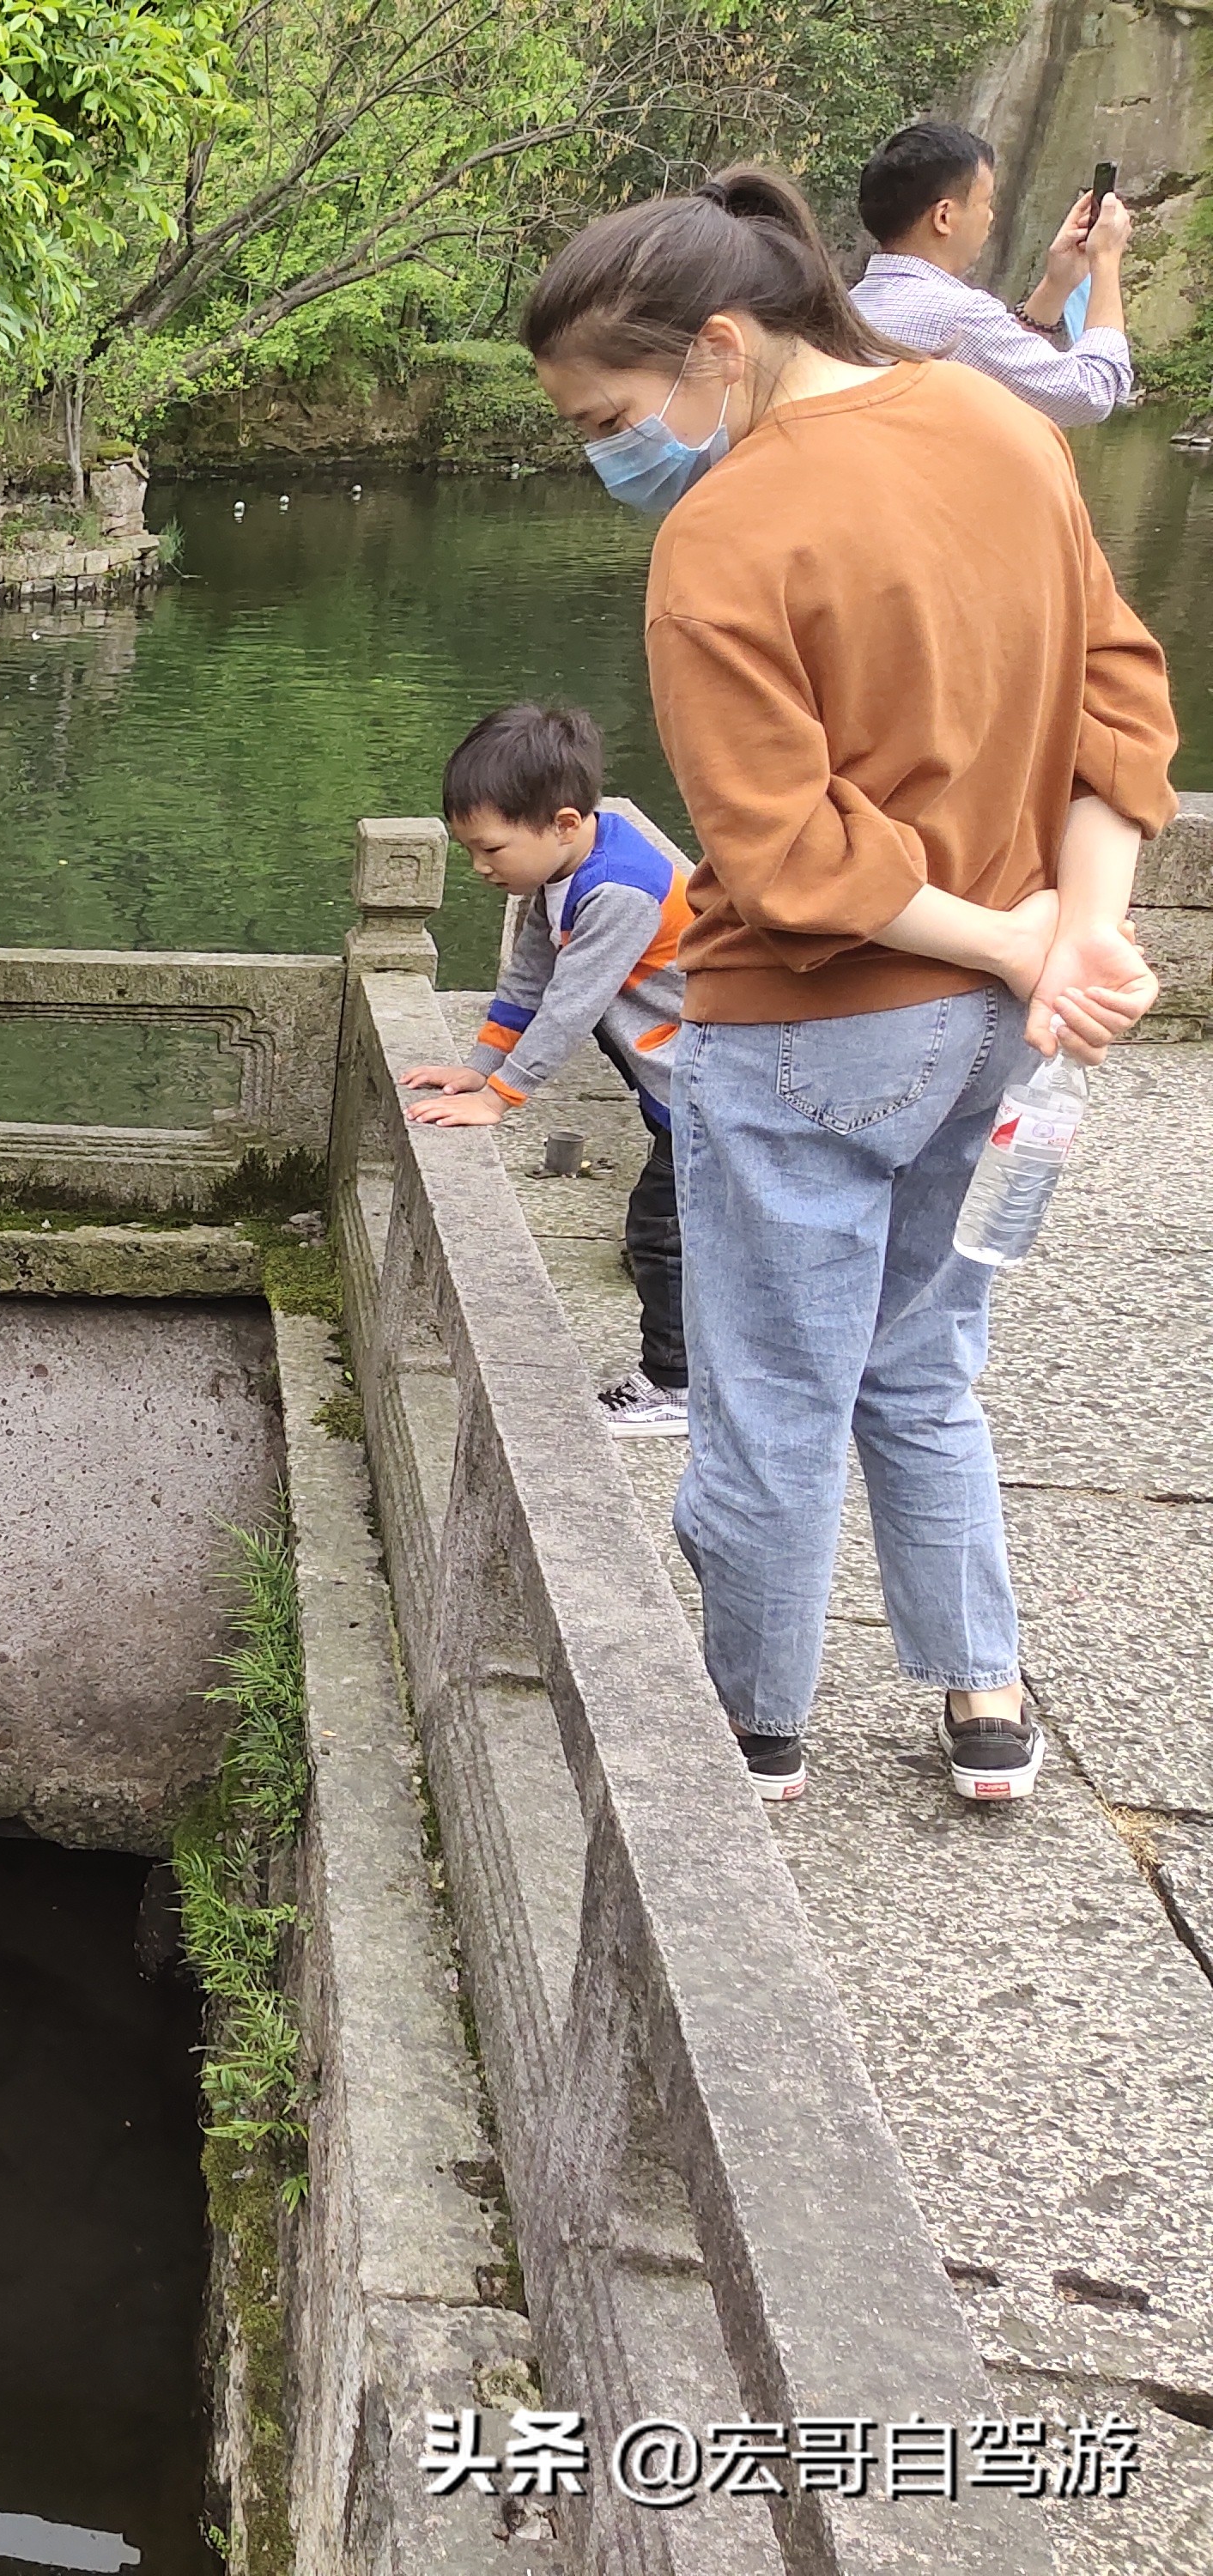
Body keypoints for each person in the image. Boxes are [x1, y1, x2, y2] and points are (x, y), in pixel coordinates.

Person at [519, 167, 1176, 1806]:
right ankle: (982, 1697)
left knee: (770, 1396)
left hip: (816, 1029)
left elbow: (790, 856)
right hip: (990, 1033)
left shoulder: (724, 531)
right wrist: (1074, 935)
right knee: (922, 1356)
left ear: (718, 348)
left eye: (608, 418)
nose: (607, 454)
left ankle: (753, 1726)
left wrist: (1027, 943)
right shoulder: (996, 422)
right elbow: (1121, 701)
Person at [403, 702, 690, 1438]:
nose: (480, 867)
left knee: (661, 1234)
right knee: (684, 1233)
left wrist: (502, 1099)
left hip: (712, 1089)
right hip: (675, 1087)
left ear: (563, 823)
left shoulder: (617, 889)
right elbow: (529, 978)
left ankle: (675, 1386)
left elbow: (569, 1007)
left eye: (491, 849)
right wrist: (479, 1068)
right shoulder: (563, 869)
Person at [850, 121, 1133, 427]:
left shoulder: (848, 307)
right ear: (944, 217)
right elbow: (1092, 392)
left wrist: (1057, 284)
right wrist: (1105, 260)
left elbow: (998, 361)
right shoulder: (960, 315)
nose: (991, 216)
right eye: (985, 203)